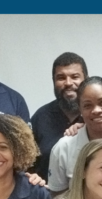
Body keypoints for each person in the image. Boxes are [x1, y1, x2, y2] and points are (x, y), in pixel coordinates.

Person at [46, 77, 102, 193]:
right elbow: (57, 196)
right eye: (87, 105)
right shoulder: (64, 147)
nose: (96, 110)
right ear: (80, 109)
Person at [31, 52, 87, 181]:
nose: (68, 83)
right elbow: (27, 164)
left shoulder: (101, 114)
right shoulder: (40, 118)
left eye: (75, 77)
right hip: (48, 196)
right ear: (54, 81)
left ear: (86, 79)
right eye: (61, 77)